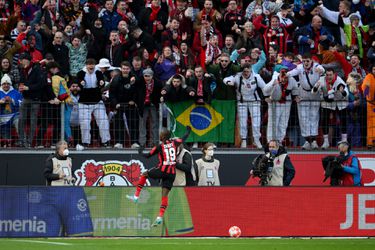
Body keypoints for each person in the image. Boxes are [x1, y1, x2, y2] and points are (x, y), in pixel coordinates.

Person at [126, 126, 191, 227]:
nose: (159, 135)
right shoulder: (175, 143)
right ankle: (159, 217)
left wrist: (140, 151)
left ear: (163, 136)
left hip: (163, 169)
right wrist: (188, 130)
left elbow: (148, 156)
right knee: (164, 195)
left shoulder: (160, 146)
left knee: (145, 174)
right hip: (172, 173)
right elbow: (184, 137)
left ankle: (136, 196)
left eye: (160, 134)